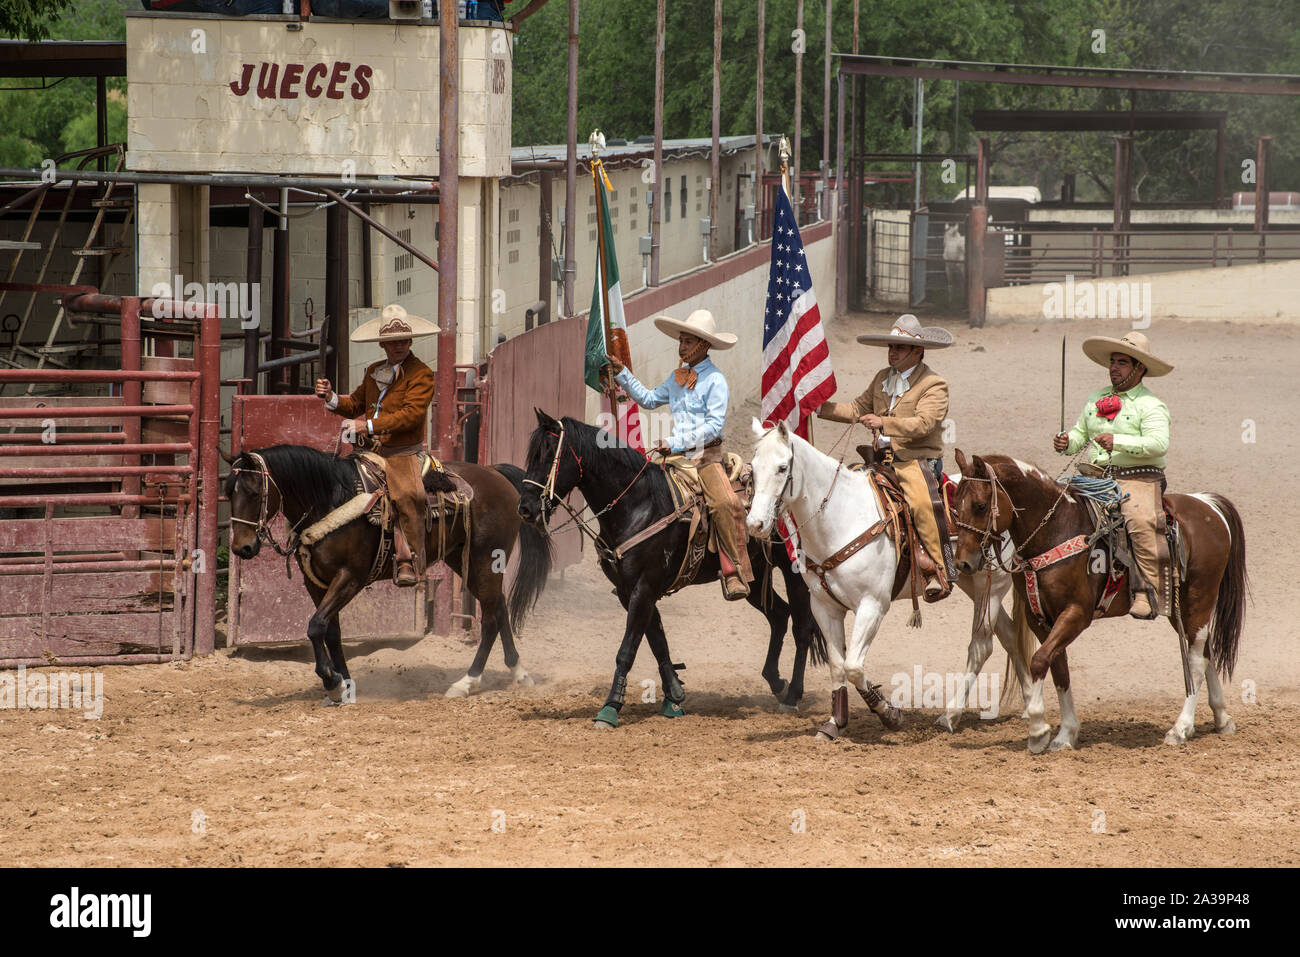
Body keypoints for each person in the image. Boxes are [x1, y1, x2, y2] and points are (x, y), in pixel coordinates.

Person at [604, 309, 754, 601]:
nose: (681, 347)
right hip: (674, 459)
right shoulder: (677, 378)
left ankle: (734, 571)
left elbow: (713, 427)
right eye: (681, 341)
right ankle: (637, 565)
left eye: (687, 342)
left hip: (705, 458)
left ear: (703, 345)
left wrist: (674, 442)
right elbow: (648, 399)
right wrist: (622, 372)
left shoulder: (716, 381)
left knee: (723, 503)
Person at [816, 314, 955, 602]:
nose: (892, 352)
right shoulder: (882, 378)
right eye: (891, 347)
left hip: (918, 461)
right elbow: (856, 408)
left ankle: (938, 568)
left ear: (918, 351)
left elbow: (925, 424)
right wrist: (819, 407)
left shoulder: (934, 384)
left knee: (920, 502)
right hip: (882, 460)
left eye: (899, 348)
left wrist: (883, 423)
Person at [314, 304, 438, 587]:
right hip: (371, 452)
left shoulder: (422, 374)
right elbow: (356, 403)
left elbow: (412, 415)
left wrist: (366, 426)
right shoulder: (373, 371)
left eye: (403, 341)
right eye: (393, 341)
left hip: (402, 453)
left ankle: (410, 560)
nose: (398, 346)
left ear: (410, 342)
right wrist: (331, 396)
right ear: (382, 343)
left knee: (407, 495)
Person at [1054, 331, 1172, 619]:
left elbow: (1159, 444)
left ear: (1139, 368)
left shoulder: (1151, 405)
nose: (1114, 368)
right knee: (1052, 504)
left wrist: (1118, 442)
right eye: (1112, 362)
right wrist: (1067, 442)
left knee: (1139, 519)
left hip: (1138, 477)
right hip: (1093, 477)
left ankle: (1146, 590)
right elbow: (1082, 434)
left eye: (1122, 362)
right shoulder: (1096, 399)